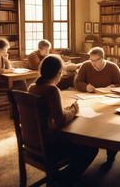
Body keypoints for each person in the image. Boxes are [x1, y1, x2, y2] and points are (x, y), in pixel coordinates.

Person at [28, 54, 98, 186]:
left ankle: (61, 176)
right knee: (91, 147)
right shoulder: (52, 90)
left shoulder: (33, 87)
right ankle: (64, 179)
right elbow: (60, 121)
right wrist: (73, 110)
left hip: (32, 141)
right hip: (49, 145)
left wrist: (64, 110)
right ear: (59, 72)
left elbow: (49, 113)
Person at [74, 46, 120, 167]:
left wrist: (113, 87)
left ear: (102, 58)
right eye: (91, 59)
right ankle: (83, 151)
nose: (92, 62)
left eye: (95, 60)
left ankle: (110, 157)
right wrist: (86, 87)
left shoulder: (112, 67)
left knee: (110, 128)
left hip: (109, 101)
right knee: (85, 124)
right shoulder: (86, 65)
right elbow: (77, 82)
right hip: (89, 100)